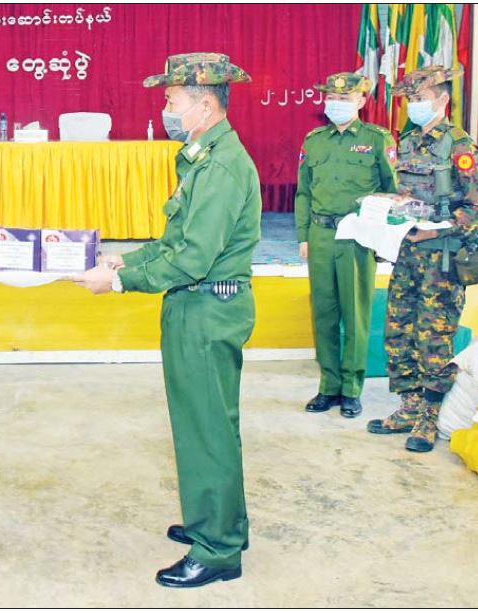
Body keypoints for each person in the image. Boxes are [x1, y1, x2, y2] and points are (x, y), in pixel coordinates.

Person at [72, 52, 260, 588]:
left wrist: (120, 283)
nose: (166, 109)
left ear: (205, 105)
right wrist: (124, 261)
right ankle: (219, 522)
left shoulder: (219, 167)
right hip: (196, 304)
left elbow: (193, 258)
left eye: (173, 100)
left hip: (206, 307)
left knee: (205, 429)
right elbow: (175, 241)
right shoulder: (204, 157)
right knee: (208, 423)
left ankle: (217, 549)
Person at [365, 66, 478, 452]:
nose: (414, 106)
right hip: (407, 253)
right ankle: (409, 406)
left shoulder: (460, 147)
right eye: (411, 100)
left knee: (433, 338)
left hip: (443, 259)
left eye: (421, 99)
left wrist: (436, 230)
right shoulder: (407, 142)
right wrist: (391, 209)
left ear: (442, 100)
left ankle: (430, 416)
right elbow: (410, 196)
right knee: (398, 332)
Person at [295, 72, 399, 419]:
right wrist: (303, 236)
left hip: (357, 235)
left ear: (361, 101)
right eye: (331, 98)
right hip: (321, 234)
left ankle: (352, 388)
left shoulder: (376, 139)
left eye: (344, 98)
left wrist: (381, 236)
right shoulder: (314, 141)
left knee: (355, 313)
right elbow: (303, 192)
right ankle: (329, 386)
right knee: (324, 313)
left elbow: (391, 190)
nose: (335, 104)